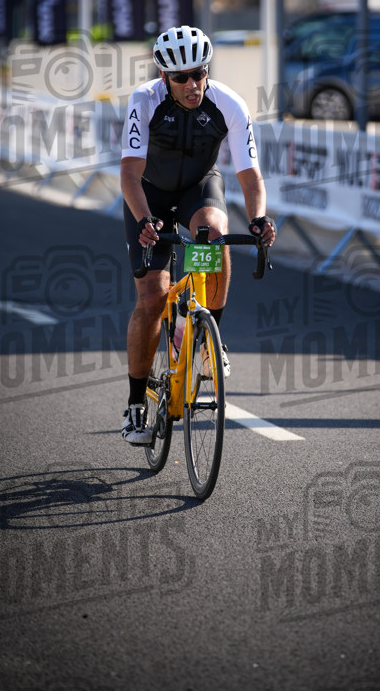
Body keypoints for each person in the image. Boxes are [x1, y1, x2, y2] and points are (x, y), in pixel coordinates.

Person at [120, 25, 276, 446]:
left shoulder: (229, 103)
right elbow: (129, 174)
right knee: (152, 299)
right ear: (162, 75)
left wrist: (259, 218)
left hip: (197, 188)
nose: (192, 84)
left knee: (213, 233)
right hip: (148, 193)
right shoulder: (143, 101)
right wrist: (145, 220)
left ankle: (209, 338)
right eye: (181, 77)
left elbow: (249, 173)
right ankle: (136, 404)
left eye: (199, 73)